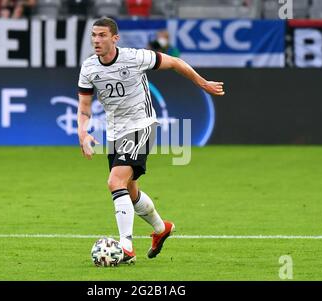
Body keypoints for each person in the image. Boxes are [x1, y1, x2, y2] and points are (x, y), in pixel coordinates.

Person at [77, 17, 225, 264]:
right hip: (114, 133)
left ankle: (125, 247)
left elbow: (175, 62)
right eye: (94, 35)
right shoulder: (89, 68)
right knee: (129, 189)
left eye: (102, 35)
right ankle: (161, 228)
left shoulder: (135, 57)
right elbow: (84, 107)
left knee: (115, 182)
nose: (96, 40)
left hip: (141, 126)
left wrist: (202, 83)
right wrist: (82, 132)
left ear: (115, 38)